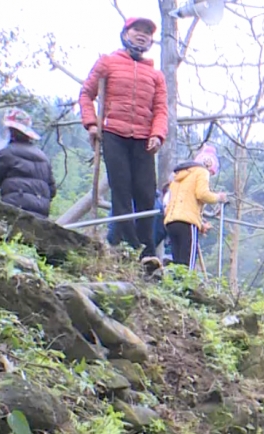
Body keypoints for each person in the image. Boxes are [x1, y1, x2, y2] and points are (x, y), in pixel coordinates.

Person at [80, 17, 168, 261]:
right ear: (125, 34)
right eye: (137, 30)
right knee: (121, 189)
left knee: (146, 194)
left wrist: (158, 134)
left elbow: (161, 109)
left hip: (143, 139)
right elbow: (86, 94)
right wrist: (91, 124)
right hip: (113, 134)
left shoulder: (156, 75)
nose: (142, 35)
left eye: (147, 33)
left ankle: (147, 252)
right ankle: (126, 247)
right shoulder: (107, 62)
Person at [0, 109, 55, 218]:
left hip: (14, 215)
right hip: (40, 220)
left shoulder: (6, 152)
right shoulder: (43, 157)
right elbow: (51, 191)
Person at [162, 144, 226, 268]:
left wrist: (200, 224)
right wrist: (218, 197)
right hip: (187, 222)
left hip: (171, 221)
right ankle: (186, 286)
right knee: (188, 262)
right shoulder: (202, 171)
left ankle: (176, 285)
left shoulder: (178, 175)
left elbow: (181, 201)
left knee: (178, 261)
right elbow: (202, 194)